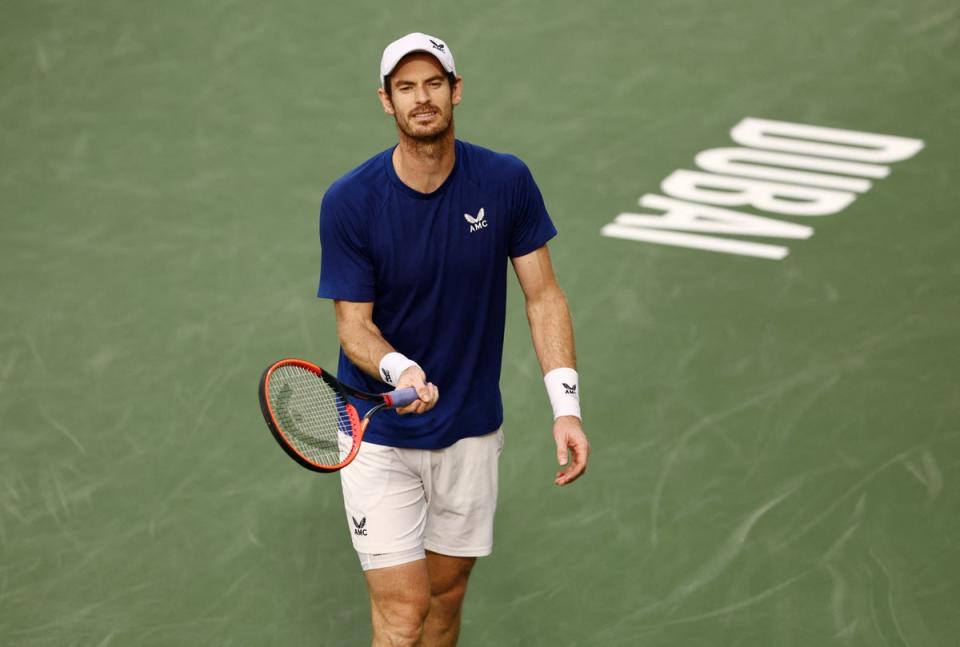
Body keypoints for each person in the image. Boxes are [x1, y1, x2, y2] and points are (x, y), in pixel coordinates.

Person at [317, 32, 590, 647]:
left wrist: (565, 408)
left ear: (455, 91)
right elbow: (352, 325)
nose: (422, 98)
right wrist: (399, 370)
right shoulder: (351, 202)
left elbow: (543, 296)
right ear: (386, 101)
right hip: (376, 429)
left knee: (445, 600)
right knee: (403, 613)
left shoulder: (505, 181)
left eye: (434, 83)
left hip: (469, 425)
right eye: (406, 87)